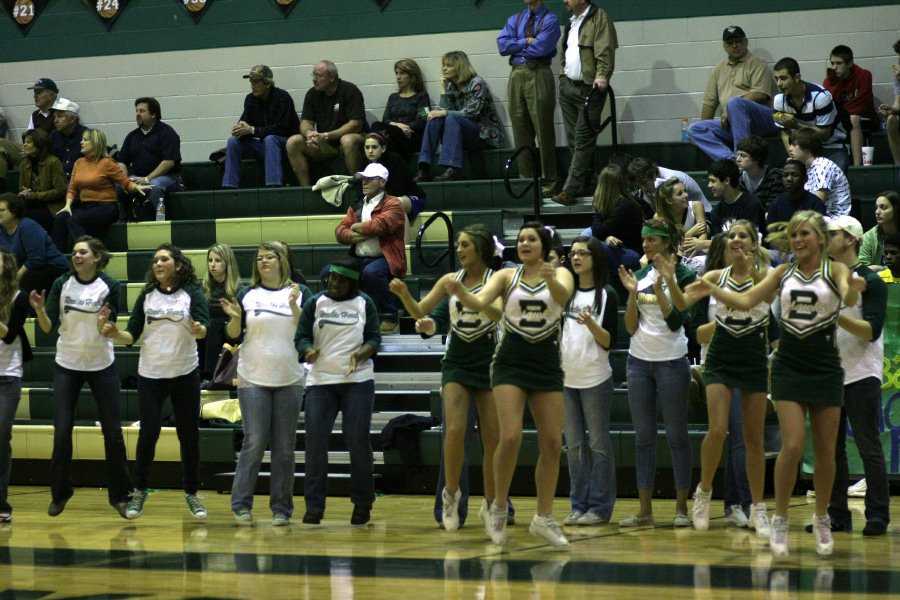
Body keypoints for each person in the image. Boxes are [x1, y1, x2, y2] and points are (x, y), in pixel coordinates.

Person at [695, 210, 864, 558]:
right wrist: (711, 287)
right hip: (789, 365)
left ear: (819, 238)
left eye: (804, 233)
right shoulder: (781, 272)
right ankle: (781, 518)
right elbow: (746, 300)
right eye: (794, 234)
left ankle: (822, 517)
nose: (798, 239)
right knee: (793, 445)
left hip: (825, 367)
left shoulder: (835, 270)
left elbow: (847, 296)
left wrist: (852, 292)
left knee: (826, 450)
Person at [447, 222, 575, 547]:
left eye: (531, 239)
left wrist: (549, 277)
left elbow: (563, 298)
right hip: (510, 363)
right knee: (510, 436)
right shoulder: (506, 276)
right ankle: (498, 506)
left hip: (547, 364)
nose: (524, 243)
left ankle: (543, 517)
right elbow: (481, 303)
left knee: (552, 443)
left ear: (544, 245)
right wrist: (462, 293)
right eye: (521, 239)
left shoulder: (561, 273)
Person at [389, 225, 502, 531]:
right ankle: (451, 495)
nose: (459, 250)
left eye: (465, 245)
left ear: (480, 249)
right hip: (457, 364)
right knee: (453, 431)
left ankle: (492, 503)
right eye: (459, 245)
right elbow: (422, 313)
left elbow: (498, 315)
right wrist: (406, 297)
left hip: (490, 364)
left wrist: (466, 296)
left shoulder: (497, 280)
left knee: (493, 439)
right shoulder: (449, 280)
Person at [669, 221, 773, 537]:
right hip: (720, 357)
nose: (736, 239)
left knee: (753, 439)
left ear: (754, 244)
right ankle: (703, 491)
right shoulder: (715, 276)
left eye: (743, 235)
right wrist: (668, 279)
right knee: (717, 429)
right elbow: (681, 304)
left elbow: (752, 301)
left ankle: (758, 508)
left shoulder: (766, 277)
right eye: (732, 236)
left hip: (753, 358)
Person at [99, 244, 210, 520]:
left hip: (185, 373)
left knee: (189, 435)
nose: (158, 264)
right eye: (155, 260)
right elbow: (132, 334)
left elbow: (204, 328)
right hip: (151, 375)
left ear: (178, 264)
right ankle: (139, 490)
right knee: (148, 434)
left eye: (164, 259)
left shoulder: (192, 293)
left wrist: (198, 328)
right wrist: (116, 334)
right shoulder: (147, 295)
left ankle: (192, 492)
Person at [30, 236, 132, 518]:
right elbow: (48, 327)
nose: (77, 256)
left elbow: (108, 329)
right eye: (74, 252)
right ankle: (60, 493)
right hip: (67, 363)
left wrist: (103, 324)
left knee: (113, 433)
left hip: (101, 364)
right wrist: (39, 310)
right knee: (62, 430)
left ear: (96, 257)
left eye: (83, 252)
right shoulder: (62, 283)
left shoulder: (110, 285)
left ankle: (120, 496)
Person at [616, 218, 697, 529]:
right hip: (638, 363)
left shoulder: (685, 275)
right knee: (643, 438)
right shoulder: (638, 276)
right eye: (643, 239)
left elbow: (677, 322)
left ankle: (681, 509)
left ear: (665, 241)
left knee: (677, 436)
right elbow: (630, 327)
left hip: (672, 362)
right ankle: (644, 511)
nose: (645, 244)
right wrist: (632, 294)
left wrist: (664, 286)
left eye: (651, 239)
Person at [222, 242, 309, 526]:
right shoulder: (247, 294)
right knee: (254, 441)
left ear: (282, 260)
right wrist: (236, 318)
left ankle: (281, 508)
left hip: (290, 377)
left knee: (284, 447)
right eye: (259, 258)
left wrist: (294, 306)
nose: (263, 261)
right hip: (253, 377)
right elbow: (233, 334)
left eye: (269, 257)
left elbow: (309, 330)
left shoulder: (300, 292)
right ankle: (240, 504)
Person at [814, 216, 890, 536]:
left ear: (850, 239)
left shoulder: (871, 281)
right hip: (830, 375)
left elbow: (871, 331)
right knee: (830, 449)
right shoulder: (824, 279)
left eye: (832, 234)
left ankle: (877, 515)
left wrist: (836, 315)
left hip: (861, 374)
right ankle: (837, 515)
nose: (826, 239)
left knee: (867, 445)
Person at [296, 256, 380, 526]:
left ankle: (362, 504)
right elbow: (301, 337)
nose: (334, 283)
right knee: (315, 444)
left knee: (357, 442)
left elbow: (374, 338)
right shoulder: (315, 303)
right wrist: (307, 350)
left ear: (353, 282)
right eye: (332, 278)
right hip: (320, 381)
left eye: (341, 280)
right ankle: (314, 506)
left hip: (358, 381)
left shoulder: (365, 303)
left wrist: (362, 353)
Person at [561, 235, 618, 526]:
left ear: (595, 258)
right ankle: (578, 505)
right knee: (573, 446)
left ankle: (600, 507)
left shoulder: (607, 294)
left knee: (598, 445)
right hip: (566, 380)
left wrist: (591, 323)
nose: (576, 258)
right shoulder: (565, 293)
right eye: (573, 253)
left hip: (595, 378)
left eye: (582, 253)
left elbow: (609, 341)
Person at [551, 0, 618, 206]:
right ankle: (587, 182)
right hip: (568, 86)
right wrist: (563, 76)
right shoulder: (573, 20)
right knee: (574, 140)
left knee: (583, 140)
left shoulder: (599, 17)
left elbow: (605, 49)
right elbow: (566, 50)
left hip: (590, 88)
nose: (565, 0)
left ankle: (569, 190)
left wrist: (602, 74)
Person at [329, 163, 405, 334]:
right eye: (363, 179)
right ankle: (345, 313)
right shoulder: (357, 205)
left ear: (382, 182)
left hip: (386, 258)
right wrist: (356, 234)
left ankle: (390, 316)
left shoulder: (393, 203)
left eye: (369, 179)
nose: (364, 182)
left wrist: (356, 227)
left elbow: (381, 225)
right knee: (329, 272)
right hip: (359, 258)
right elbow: (340, 231)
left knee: (371, 272)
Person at [497, 0, 561, 196]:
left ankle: (550, 181)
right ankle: (527, 180)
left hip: (539, 72)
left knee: (543, 130)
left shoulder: (550, 19)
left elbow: (541, 48)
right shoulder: (515, 19)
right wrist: (526, 41)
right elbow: (502, 45)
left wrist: (516, 45)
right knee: (520, 130)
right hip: (516, 73)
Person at [687, 26, 779, 162]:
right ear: (725, 47)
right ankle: (732, 160)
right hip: (733, 124)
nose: (735, 46)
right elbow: (709, 103)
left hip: (762, 121)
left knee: (734, 103)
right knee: (694, 129)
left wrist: (730, 109)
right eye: (730, 43)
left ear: (746, 42)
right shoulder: (719, 69)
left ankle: (743, 158)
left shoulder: (758, 63)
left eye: (738, 41)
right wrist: (705, 126)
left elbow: (760, 94)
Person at [53, 128, 151, 252]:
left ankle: (88, 252)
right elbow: (72, 188)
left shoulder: (106, 163)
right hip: (85, 207)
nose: (81, 142)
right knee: (61, 218)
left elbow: (125, 182)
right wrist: (68, 205)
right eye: (82, 139)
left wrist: (136, 186)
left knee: (74, 220)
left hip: (106, 207)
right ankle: (60, 257)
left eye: (85, 140)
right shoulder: (78, 162)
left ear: (95, 143)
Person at [415, 51, 505, 182]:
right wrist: (443, 90)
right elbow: (444, 111)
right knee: (434, 118)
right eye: (443, 65)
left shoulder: (477, 83)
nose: (444, 68)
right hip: (460, 134)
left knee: (451, 117)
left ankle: (453, 169)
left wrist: (445, 113)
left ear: (460, 67)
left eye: (449, 65)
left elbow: (471, 113)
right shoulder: (451, 86)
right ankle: (424, 168)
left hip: (484, 134)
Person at [287, 60, 366, 187]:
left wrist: (327, 135)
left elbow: (356, 124)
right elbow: (306, 122)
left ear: (332, 77)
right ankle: (306, 190)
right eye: (313, 75)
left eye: (318, 75)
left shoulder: (349, 90)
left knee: (347, 140)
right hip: (326, 142)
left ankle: (357, 188)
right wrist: (309, 133)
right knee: (293, 142)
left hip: (354, 137)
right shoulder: (312, 94)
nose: (314, 79)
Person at [222, 65, 300, 189]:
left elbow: (281, 128)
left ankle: (273, 186)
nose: (252, 86)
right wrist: (239, 130)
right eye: (251, 82)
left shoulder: (282, 97)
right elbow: (245, 124)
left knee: (270, 139)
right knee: (233, 141)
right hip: (265, 146)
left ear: (267, 84)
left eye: (256, 82)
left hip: (286, 146)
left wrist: (252, 130)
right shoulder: (250, 99)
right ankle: (229, 186)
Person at [0, 248, 33, 524]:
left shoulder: (19, 298)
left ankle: (1, 503)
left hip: (7, 377)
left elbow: (9, 335)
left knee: (1, 438)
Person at [773, 57, 850, 173]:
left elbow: (824, 135)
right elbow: (785, 133)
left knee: (832, 177)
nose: (779, 84)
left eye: (783, 78)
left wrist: (796, 126)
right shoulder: (779, 100)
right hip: (802, 148)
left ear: (797, 77)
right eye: (776, 79)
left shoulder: (820, 97)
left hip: (831, 146)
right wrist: (794, 157)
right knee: (793, 175)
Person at [116, 97, 183, 221]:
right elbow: (122, 162)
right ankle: (122, 222)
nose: (138, 114)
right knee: (116, 187)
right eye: (137, 111)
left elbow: (168, 162)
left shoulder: (167, 133)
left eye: (142, 111)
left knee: (155, 185)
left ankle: (159, 221)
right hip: (138, 177)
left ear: (153, 114)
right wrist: (124, 180)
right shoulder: (132, 136)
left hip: (167, 177)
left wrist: (147, 179)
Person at [0, 193, 68, 296]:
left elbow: (36, 259)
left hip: (52, 267)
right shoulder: (3, 230)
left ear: (14, 211)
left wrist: (15, 279)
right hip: (30, 268)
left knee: (23, 283)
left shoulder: (28, 226)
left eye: (1, 210)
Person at [823, 45, 880, 167]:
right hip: (841, 119)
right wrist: (834, 82)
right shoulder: (829, 81)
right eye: (832, 63)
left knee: (853, 119)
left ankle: (857, 166)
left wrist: (841, 114)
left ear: (849, 63)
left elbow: (862, 104)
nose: (834, 67)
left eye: (839, 63)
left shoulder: (864, 75)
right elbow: (830, 104)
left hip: (864, 117)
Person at [586, 164, 644, 271]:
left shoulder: (625, 205)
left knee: (592, 245)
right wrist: (607, 237)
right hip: (617, 249)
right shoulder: (612, 204)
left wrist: (596, 210)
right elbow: (602, 231)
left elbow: (599, 231)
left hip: (631, 253)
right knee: (586, 233)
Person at [200, 243, 242, 388]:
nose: (212, 264)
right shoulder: (202, 288)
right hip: (207, 333)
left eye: (217, 260)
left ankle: (209, 375)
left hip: (231, 332)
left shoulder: (237, 290)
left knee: (214, 326)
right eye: (210, 260)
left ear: (227, 263)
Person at [370, 59, 431, 156]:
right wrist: (398, 125)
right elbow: (385, 119)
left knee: (381, 135)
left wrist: (402, 128)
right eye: (397, 73)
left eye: (402, 73)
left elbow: (421, 121)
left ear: (412, 76)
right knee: (376, 126)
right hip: (393, 135)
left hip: (411, 137)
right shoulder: (393, 97)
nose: (398, 77)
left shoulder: (422, 96)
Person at [788, 128, 851, 218]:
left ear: (807, 146)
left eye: (794, 145)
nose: (790, 149)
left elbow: (817, 205)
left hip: (834, 219)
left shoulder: (822, 167)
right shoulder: (807, 168)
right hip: (819, 216)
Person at [362, 133, 426, 219]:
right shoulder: (363, 163)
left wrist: (377, 201)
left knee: (393, 204)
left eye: (374, 147)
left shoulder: (395, 159)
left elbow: (398, 189)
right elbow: (360, 191)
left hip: (409, 197)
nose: (370, 151)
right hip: (380, 200)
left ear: (383, 148)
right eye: (367, 147)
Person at [17, 128, 65, 232]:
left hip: (51, 206)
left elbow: (60, 191)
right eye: (24, 142)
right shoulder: (24, 164)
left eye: (28, 142)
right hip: (31, 203)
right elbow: (22, 188)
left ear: (39, 144)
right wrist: (23, 193)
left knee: (29, 218)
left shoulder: (53, 161)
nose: (24, 145)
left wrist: (35, 195)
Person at [627, 157, 713, 215]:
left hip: (703, 215)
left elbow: (675, 211)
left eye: (644, 183)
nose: (643, 188)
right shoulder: (648, 181)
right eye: (638, 185)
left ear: (653, 174)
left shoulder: (672, 178)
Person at [766, 159, 826, 229]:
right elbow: (771, 232)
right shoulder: (776, 204)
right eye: (785, 175)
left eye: (795, 175)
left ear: (805, 178)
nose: (789, 179)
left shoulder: (816, 204)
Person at [735, 135, 784, 210]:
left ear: (756, 158)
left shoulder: (775, 176)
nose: (738, 159)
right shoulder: (738, 177)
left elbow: (773, 209)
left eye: (743, 156)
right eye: (738, 154)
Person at [48, 98, 88, 181]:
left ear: (72, 119)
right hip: (58, 180)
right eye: (55, 117)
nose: (55, 121)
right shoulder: (53, 136)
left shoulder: (87, 135)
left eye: (60, 116)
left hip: (80, 180)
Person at [860, 191, 900, 271]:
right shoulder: (869, 237)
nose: (877, 212)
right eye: (877, 207)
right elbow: (861, 266)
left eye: (883, 207)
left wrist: (881, 268)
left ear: (896, 209)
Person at [877, 39, 900, 166]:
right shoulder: (898, 76)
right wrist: (892, 109)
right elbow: (898, 105)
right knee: (891, 119)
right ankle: (898, 166)